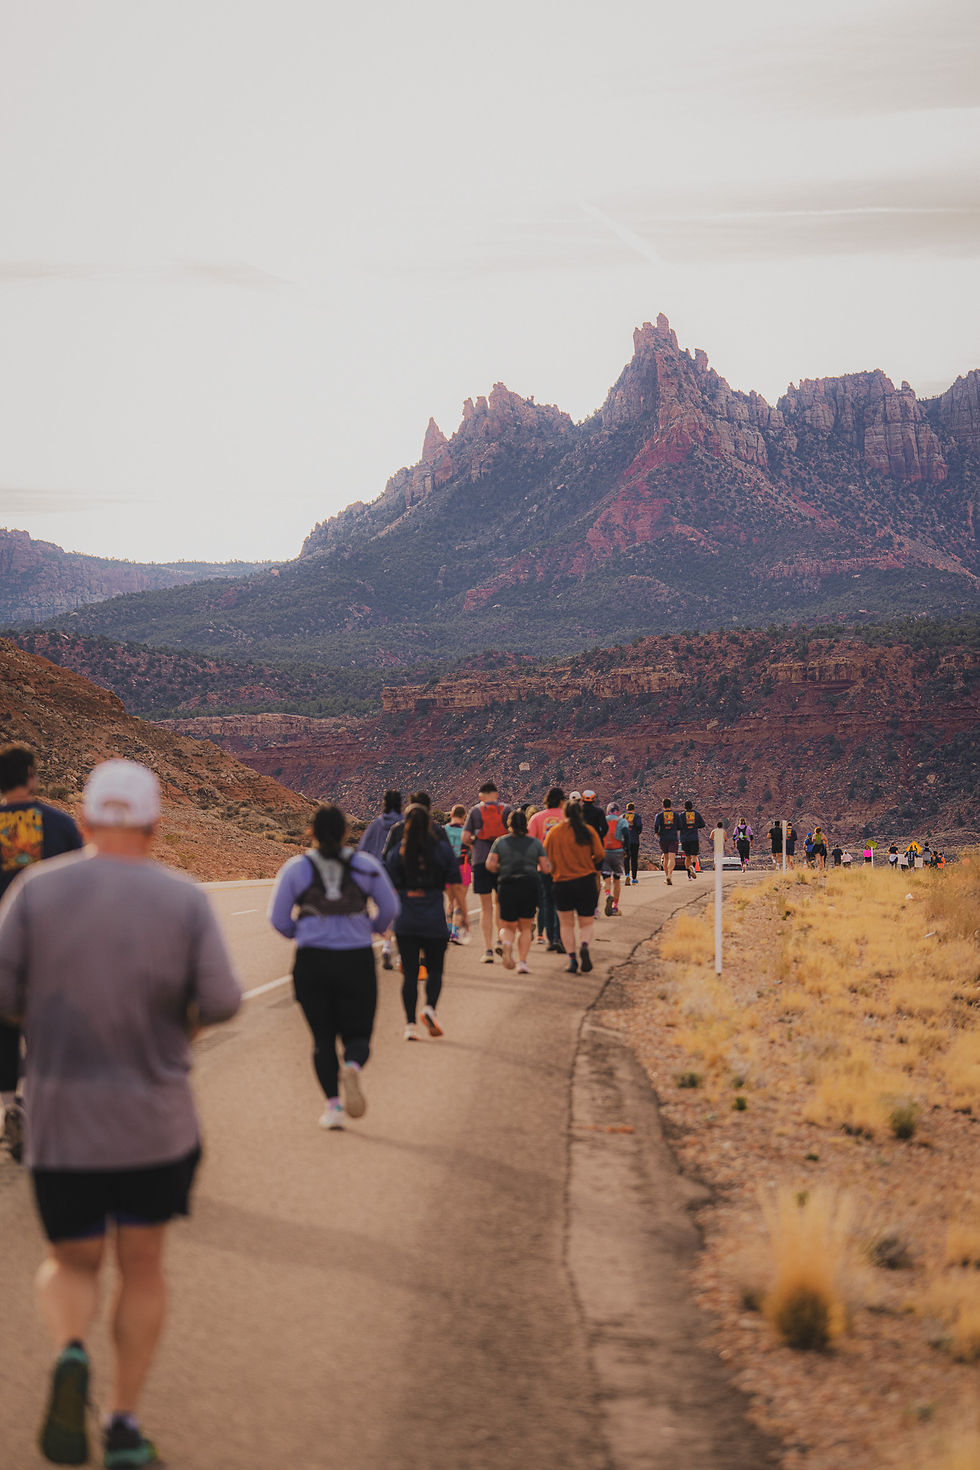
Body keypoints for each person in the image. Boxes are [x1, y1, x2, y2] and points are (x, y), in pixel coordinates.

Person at [0, 758, 241, 1469]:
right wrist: (177, 1025)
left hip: (62, 1119)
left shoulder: (37, 893)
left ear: (85, 819)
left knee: (70, 1262)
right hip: (154, 1124)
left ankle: (71, 1351)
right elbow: (224, 1000)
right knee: (142, 1267)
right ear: (155, 824)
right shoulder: (183, 899)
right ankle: (126, 1427)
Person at [268, 803, 399, 1130]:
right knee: (359, 1034)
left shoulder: (296, 868)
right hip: (355, 958)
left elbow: (278, 919)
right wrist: (373, 927)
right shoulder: (366, 866)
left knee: (322, 1039)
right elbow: (390, 906)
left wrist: (301, 932)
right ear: (345, 833)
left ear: (311, 831)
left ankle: (333, 1108)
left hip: (313, 961)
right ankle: (352, 1065)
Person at [0, 744, 84, 1165]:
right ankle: (32, 1104)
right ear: (31, 775)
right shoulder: (59, 824)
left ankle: (6, 1107)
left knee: (2, 1029)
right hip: (48, 948)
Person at [386, 804, 465, 1040]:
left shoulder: (398, 852)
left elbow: (390, 888)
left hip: (407, 919)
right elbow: (456, 884)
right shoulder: (441, 850)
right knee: (435, 970)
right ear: (430, 823)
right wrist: (460, 915)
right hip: (433, 918)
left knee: (410, 974)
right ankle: (429, 1008)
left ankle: (410, 1026)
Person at [544, 800, 604, 974]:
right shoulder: (588, 831)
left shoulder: (554, 833)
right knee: (586, 923)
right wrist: (588, 862)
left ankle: (572, 960)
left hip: (562, 883)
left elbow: (545, 857)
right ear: (580, 813)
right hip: (585, 882)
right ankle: (584, 945)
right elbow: (600, 854)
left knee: (566, 925)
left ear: (564, 814)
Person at [486, 810, 550, 972]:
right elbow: (546, 867)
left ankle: (507, 944)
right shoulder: (535, 843)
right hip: (529, 885)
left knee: (507, 927)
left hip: (507, 885)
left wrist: (503, 868)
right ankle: (522, 963)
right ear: (525, 825)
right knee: (526, 928)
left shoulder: (500, 842)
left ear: (509, 824)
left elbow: (490, 865)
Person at [462, 782, 512, 964]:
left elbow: (465, 838)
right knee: (500, 903)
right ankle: (501, 939)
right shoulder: (507, 809)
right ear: (496, 794)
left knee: (485, 907)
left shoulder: (475, 812)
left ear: (481, 795)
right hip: (502, 862)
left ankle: (488, 950)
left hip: (481, 861)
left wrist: (475, 843)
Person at [358, 790, 402, 970]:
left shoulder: (376, 825)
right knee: (398, 911)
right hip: (399, 873)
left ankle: (386, 946)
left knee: (384, 910)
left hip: (377, 874)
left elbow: (362, 851)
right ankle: (400, 954)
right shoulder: (405, 823)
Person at [528, 787, 566, 951]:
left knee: (547, 901)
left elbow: (529, 843)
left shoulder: (536, 818)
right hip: (564, 866)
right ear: (561, 801)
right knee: (561, 902)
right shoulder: (568, 817)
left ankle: (551, 938)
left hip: (542, 867)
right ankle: (559, 937)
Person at [444, 804, 469, 941]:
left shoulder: (444, 830)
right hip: (462, 867)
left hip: (447, 869)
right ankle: (455, 931)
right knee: (460, 902)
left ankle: (447, 929)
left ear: (451, 814)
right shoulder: (466, 831)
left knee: (450, 901)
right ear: (464, 816)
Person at [600, 802, 628, 914]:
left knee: (606, 878)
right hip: (618, 852)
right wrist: (627, 850)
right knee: (616, 880)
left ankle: (607, 895)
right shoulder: (622, 821)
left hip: (605, 852)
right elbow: (627, 835)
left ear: (608, 811)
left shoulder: (603, 820)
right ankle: (615, 906)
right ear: (618, 811)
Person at [653, 798, 680, 885]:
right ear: (670, 805)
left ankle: (666, 876)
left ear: (663, 805)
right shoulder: (676, 815)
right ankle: (670, 875)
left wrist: (657, 832)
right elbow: (680, 826)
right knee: (672, 858)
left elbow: (656, 825)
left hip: (663, 838)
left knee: (665, 857)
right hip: (673, 837)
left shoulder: (659, 815)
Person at [678, 801, 706, 881]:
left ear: (685, 807)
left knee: (687, 856)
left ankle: (688, 875)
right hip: (694, 837)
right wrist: (695, 826)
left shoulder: (681, 815)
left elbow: (678, 826)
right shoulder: (696, 814)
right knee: (694, 855)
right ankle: (693, 868)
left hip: (684, 838)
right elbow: (703, 824)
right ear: (692, 806)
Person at [621, 802, 642, 885]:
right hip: (634, 840)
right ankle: (634, 878)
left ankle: (627, 875)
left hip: (625, 841)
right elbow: (639, 826)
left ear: (627, 809)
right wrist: (637, 832)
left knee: (626, 858)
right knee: (634, 859)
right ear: (634, 809)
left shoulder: (623, 817)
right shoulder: (637, 816)